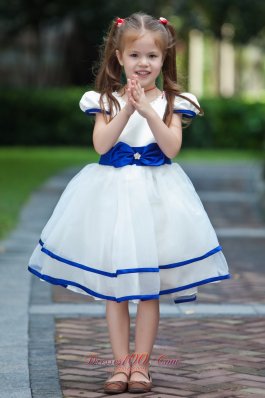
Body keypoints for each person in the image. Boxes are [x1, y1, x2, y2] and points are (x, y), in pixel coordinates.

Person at [28, 12, 231, 395]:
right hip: (114, 200)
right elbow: (102, 145)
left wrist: (147, 111)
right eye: (135, 55)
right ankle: (119, 367)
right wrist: (126, 108)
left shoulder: (174, 101)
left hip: (158, 201)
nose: (143, 63)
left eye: (152, 57)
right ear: (119, 58)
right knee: (117, 286)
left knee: (149, 286)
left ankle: (141, 367)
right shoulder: (104, 99)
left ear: (164, 59)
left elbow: (171, 148)